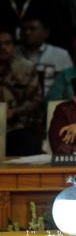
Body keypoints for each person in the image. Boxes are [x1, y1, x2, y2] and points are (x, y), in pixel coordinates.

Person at [0, 28, 42, 156]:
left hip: (18, 125)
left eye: (7, 43)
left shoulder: (26, 67)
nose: (3, 47)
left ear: (14, 46)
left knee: (25, 138)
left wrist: (14, 112)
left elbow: (35, 100)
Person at [15, 17, 73, 96]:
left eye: (33, 29)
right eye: (23, 29)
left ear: (46, 32)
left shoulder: (61, 55)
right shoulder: (12, 53)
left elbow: (69, 84)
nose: (27, 32)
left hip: (52, 102)